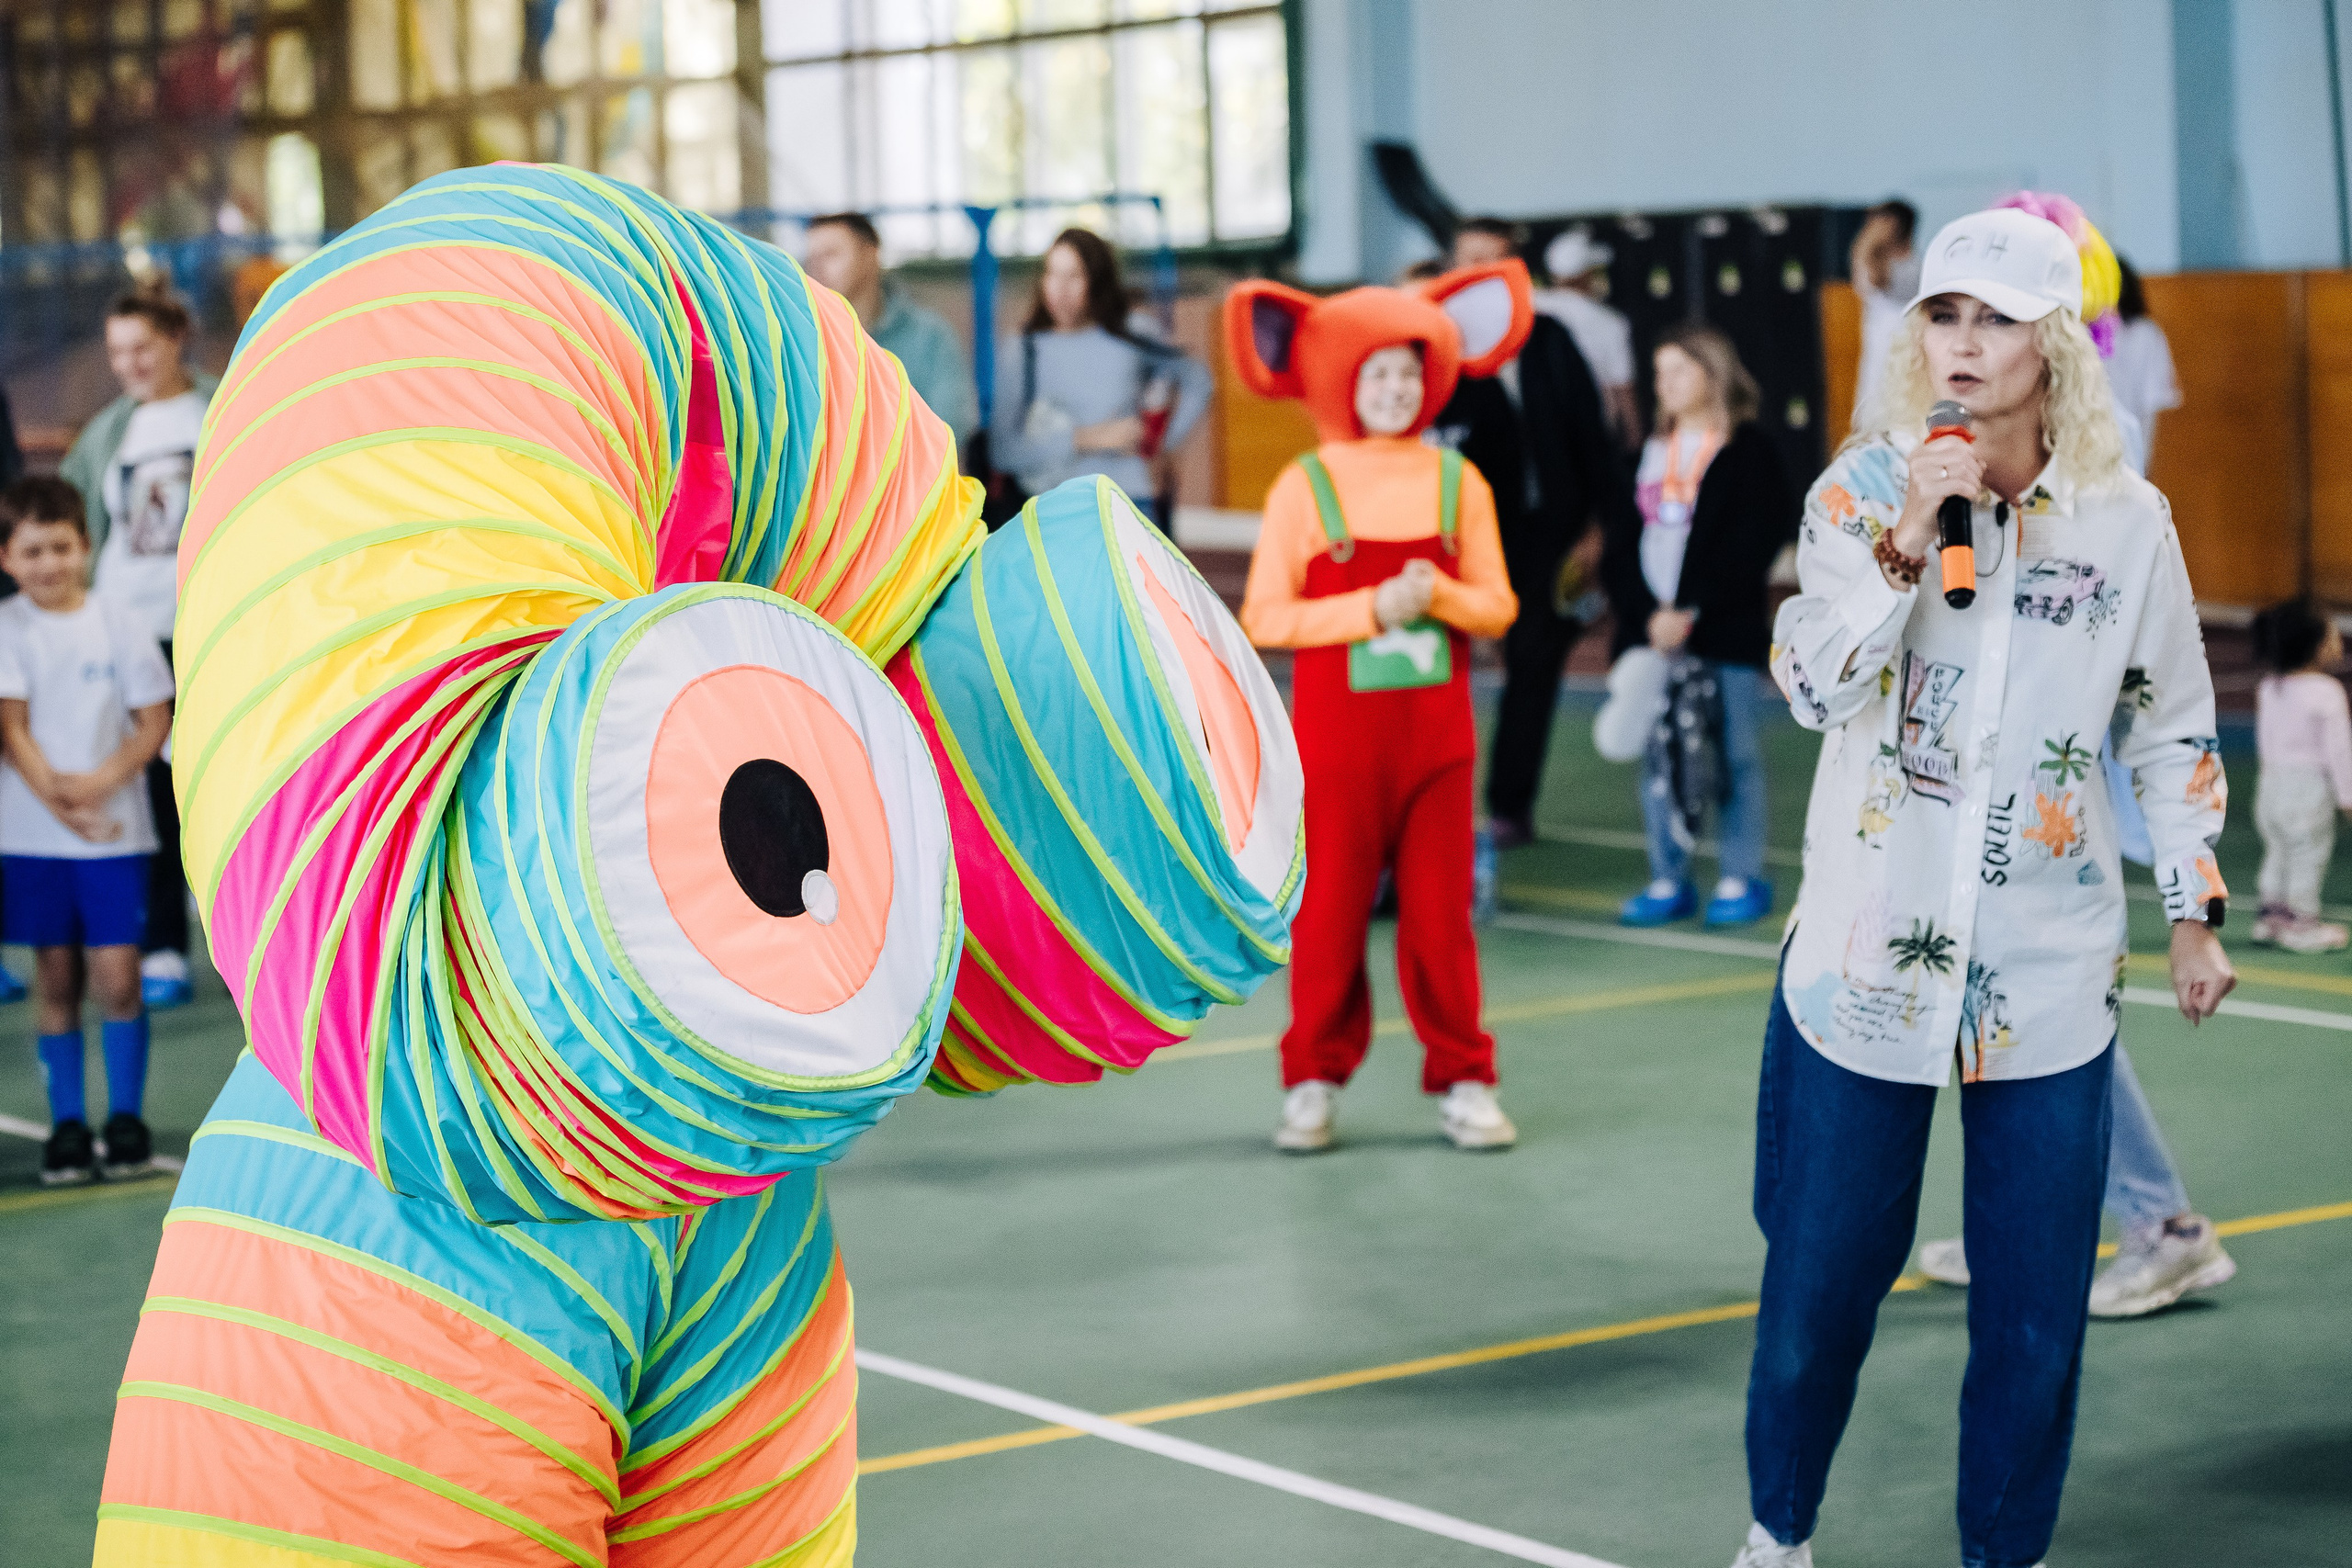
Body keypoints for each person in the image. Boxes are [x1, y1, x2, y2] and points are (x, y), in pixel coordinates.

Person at [1736, 203, 2236, 1568]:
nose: (1964, 342)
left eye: (1998, 317)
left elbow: (2172, 717)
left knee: (2034, 1315)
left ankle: (2001, 1554)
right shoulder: (1858, 491)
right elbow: (1809, 683)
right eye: (1944, 314)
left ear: (2057, 345)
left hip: (2049, 968)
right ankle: (1779, 1529)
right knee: (1821, 1286)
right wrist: (1909, 537)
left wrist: (2192, 902)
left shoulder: (2128, 525)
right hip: (1864, 960)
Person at [1229, 260, 1532, 1154]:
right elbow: (1263, 614)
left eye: (1407, 372)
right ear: (1342, 380)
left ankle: (1467, 1078)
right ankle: (1311, 1080)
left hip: (1436, 746)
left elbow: (1499, 606)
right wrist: (1370, 608)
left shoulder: (1457, 483)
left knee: (1442, 924)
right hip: (1335, 750)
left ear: (1431, 378)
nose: (1394, 390)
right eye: (1376, 373)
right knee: (1326, 921)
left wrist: (1434, 594)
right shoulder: (1301, 486)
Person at [1436, 218, 1635, 848]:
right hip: (1459, 538)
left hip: (1550, 529)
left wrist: (1598, 530)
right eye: (1469, 260)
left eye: (1494, 260)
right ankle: (1428, 812)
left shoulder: (1550, 338)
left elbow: (1594, 443)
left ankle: (1509, 805)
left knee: (1534, 660)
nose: (1480, 272)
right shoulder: (1434, 349)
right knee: (1442, 672)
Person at [0, 477, 175, 1185]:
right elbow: (11, 727)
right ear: (9, 558)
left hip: (115, 835)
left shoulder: (118, 620)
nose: (49, 563)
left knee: (120, 978)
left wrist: (101, 782)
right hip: (38, 837)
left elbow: (154, 719)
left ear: (87, 547)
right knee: (58, 978)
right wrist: (62, 802)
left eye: (61, 547)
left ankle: (125, 1119)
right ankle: (68, 1125)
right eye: (32, 550)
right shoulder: (10, 626)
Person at [1601, 323, 1793, 928]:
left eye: (1680, 370)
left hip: (1721, 632)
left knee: (1732, 751)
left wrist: (1691, 609)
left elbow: (1753, 540)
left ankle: (1740, 874)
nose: (1666, 384)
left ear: (1713, 373)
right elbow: (1619, 546)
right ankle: (1668, 876)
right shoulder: (1644, 456)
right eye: (1660, 373)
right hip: (1650, 636)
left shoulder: (1748, 451)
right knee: (1660, 760)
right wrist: (1649, 616)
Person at [61, 286, 214, 1010]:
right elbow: (78, 517)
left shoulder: (221, 408)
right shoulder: (106, 434)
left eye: (141, 347)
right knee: (149, 788)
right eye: (117, 351)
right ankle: (162, 948)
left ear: (176, 337)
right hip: (128, 628)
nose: (129, 364)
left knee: (212, 773)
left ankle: (240, 927)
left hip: (207, 622)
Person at [989, 227, 1210, 518]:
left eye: (1074, 276)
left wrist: (1160, 442)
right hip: (1054, 510)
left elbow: (1198, 380)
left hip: (1128, 502)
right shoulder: (1024, 349)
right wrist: (1089, 438)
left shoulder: (1133, 333)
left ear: (1097, 282)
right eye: (1052, 274)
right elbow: (1003, 452)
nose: (1060, 289)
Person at [801, 211, 978, 451]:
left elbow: (951, 428)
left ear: (869, 255)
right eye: (811, 260)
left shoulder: (930, 338)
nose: (816, 269)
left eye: (831, 255)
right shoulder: (801, 339)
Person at [2248, 598, 2352, 951]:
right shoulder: (2327, 692)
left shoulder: (2270, 687)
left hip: (2270, 786)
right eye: (2335, 634)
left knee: (2278, 850)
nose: (2340, 641)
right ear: (2318, 645)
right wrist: (2348, 797)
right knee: (2308, 854)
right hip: (2307, 790)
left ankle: (2271, 918)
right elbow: (2339, 752)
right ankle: (2302, 925)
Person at [1538, 228, 1640, 448]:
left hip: (1537, 426)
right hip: (1594, 429)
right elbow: (1623, 387)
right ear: (1586, 274)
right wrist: (1635, 440)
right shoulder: (1610, 322)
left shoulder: (1531, 307)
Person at [2103, 256, 2180, 473]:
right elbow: (2152, 404)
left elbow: (2152, 403)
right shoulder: (2148, 333)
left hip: (2123, 448)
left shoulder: (2146, 334)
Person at [1849, 197, 1918, 428]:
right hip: (1879, 363)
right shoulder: (1877, 267)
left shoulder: (1911, 270)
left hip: (1904, 360)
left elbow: (1864, 259)